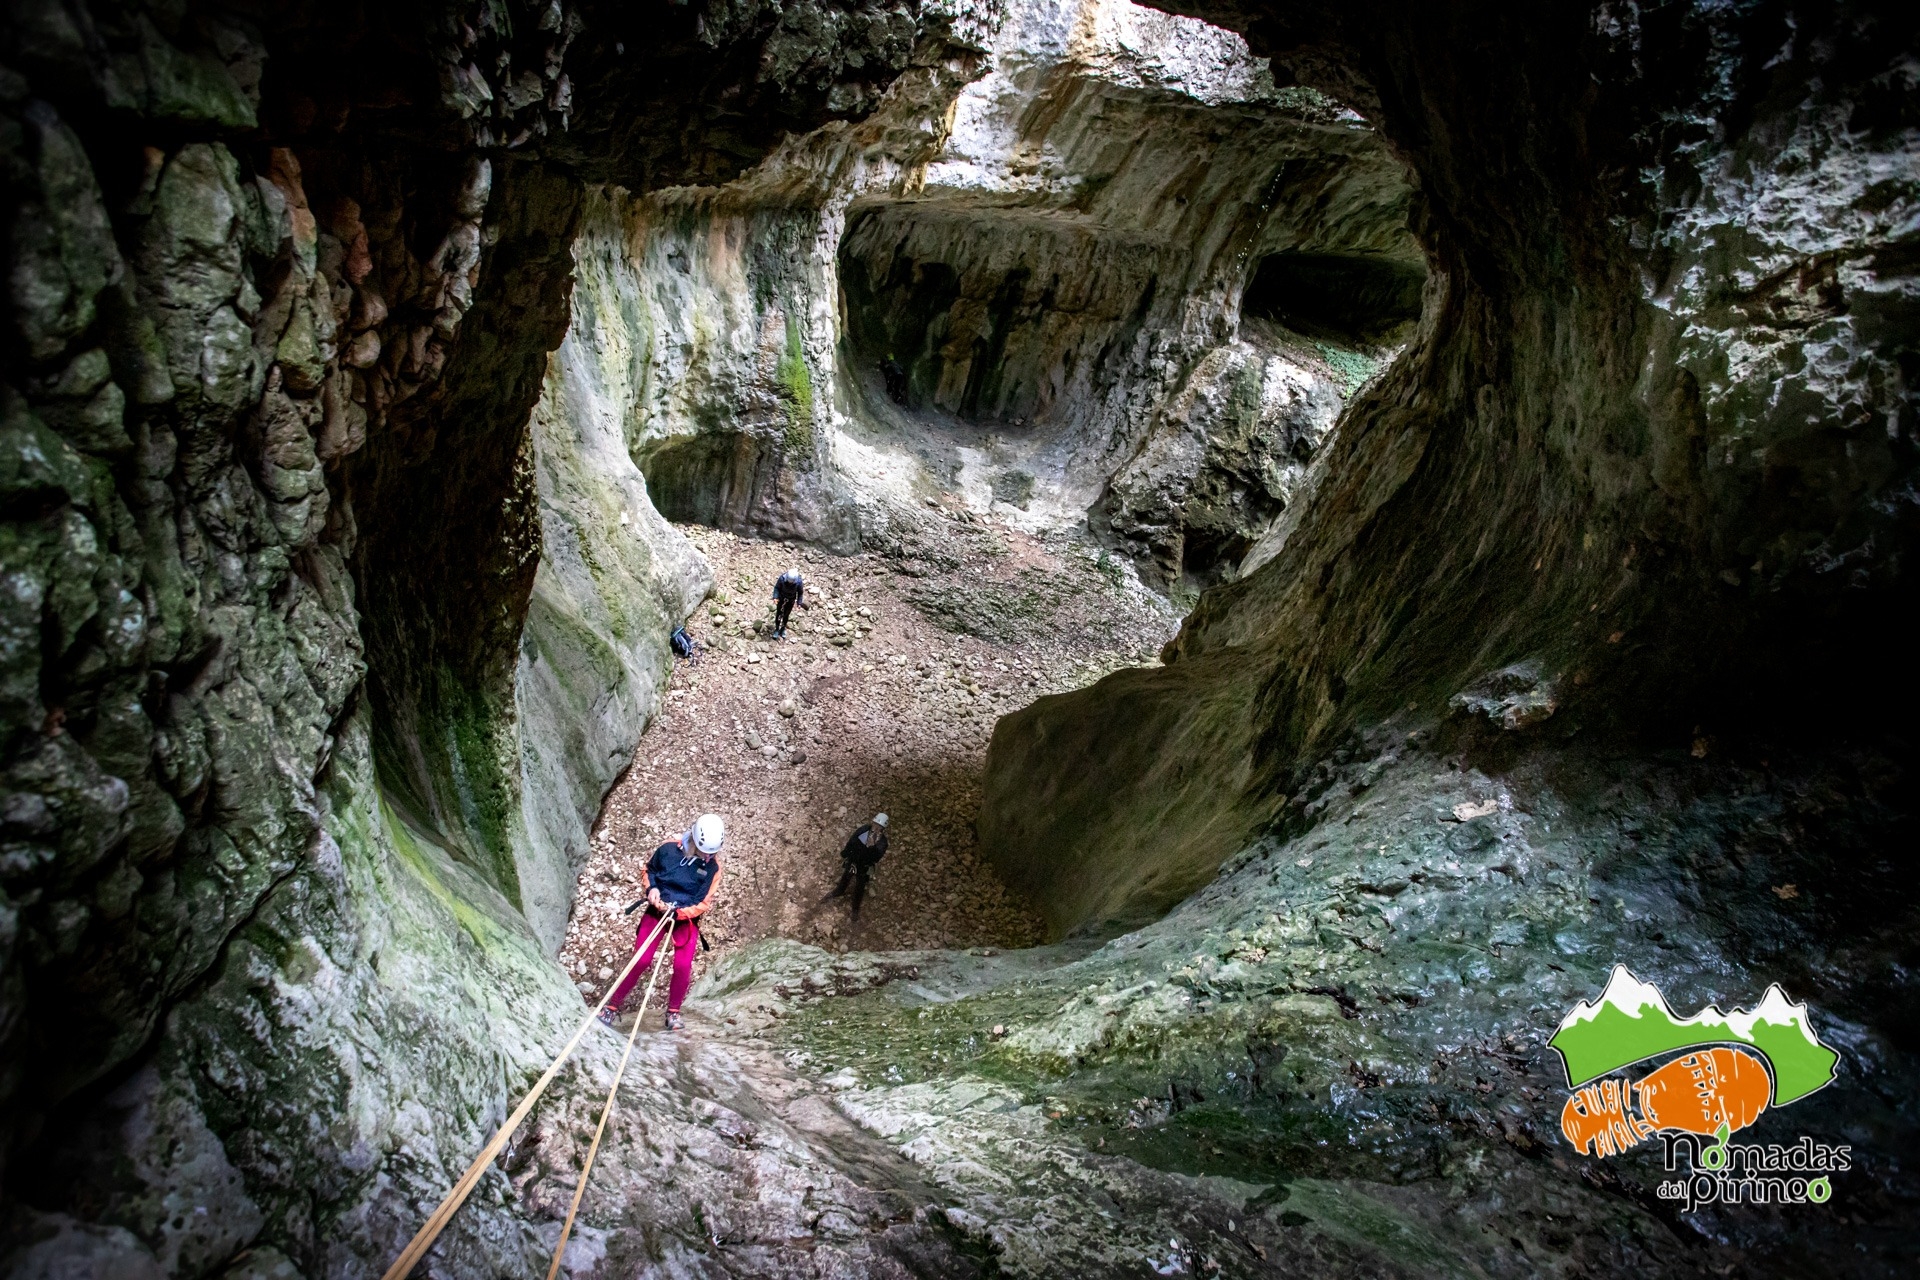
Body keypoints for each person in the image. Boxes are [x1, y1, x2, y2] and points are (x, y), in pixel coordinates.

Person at [602, 813, 725, 1031]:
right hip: (657, 910)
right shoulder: (668, 850)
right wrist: (652, 890)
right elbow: (650, 870)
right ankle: (611, 1006)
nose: (708, 857)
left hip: (684, 919)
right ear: (695, 840)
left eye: (712, 853)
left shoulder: (713, 868)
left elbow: (703, 902)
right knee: (641, 960)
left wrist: (679, 913)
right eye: (705, 851)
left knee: (682, 965)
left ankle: (673, 1012)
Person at [823, 812, 888, 922]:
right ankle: (839, 891)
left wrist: (872, 848)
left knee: (860, 886)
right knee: (846, 877)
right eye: (875, 824)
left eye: (879, 827)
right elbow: (853, 840)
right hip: (854, 861)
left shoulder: (882, 842)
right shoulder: (864, 829)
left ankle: (855, 909)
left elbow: (876, 858)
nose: (876, 828)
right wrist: (846, 852)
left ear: (882, 829)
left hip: (864, 866)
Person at [771, 566, 807, 638]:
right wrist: (775, 597)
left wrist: (799, 603)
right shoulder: (782, 579)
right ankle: (777, 629)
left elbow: (800, 593)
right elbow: (777, 588)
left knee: (786, 615)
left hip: (790, 601)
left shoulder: (798, 582)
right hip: (781, 599)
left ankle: (783, 628)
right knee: (779, 614)